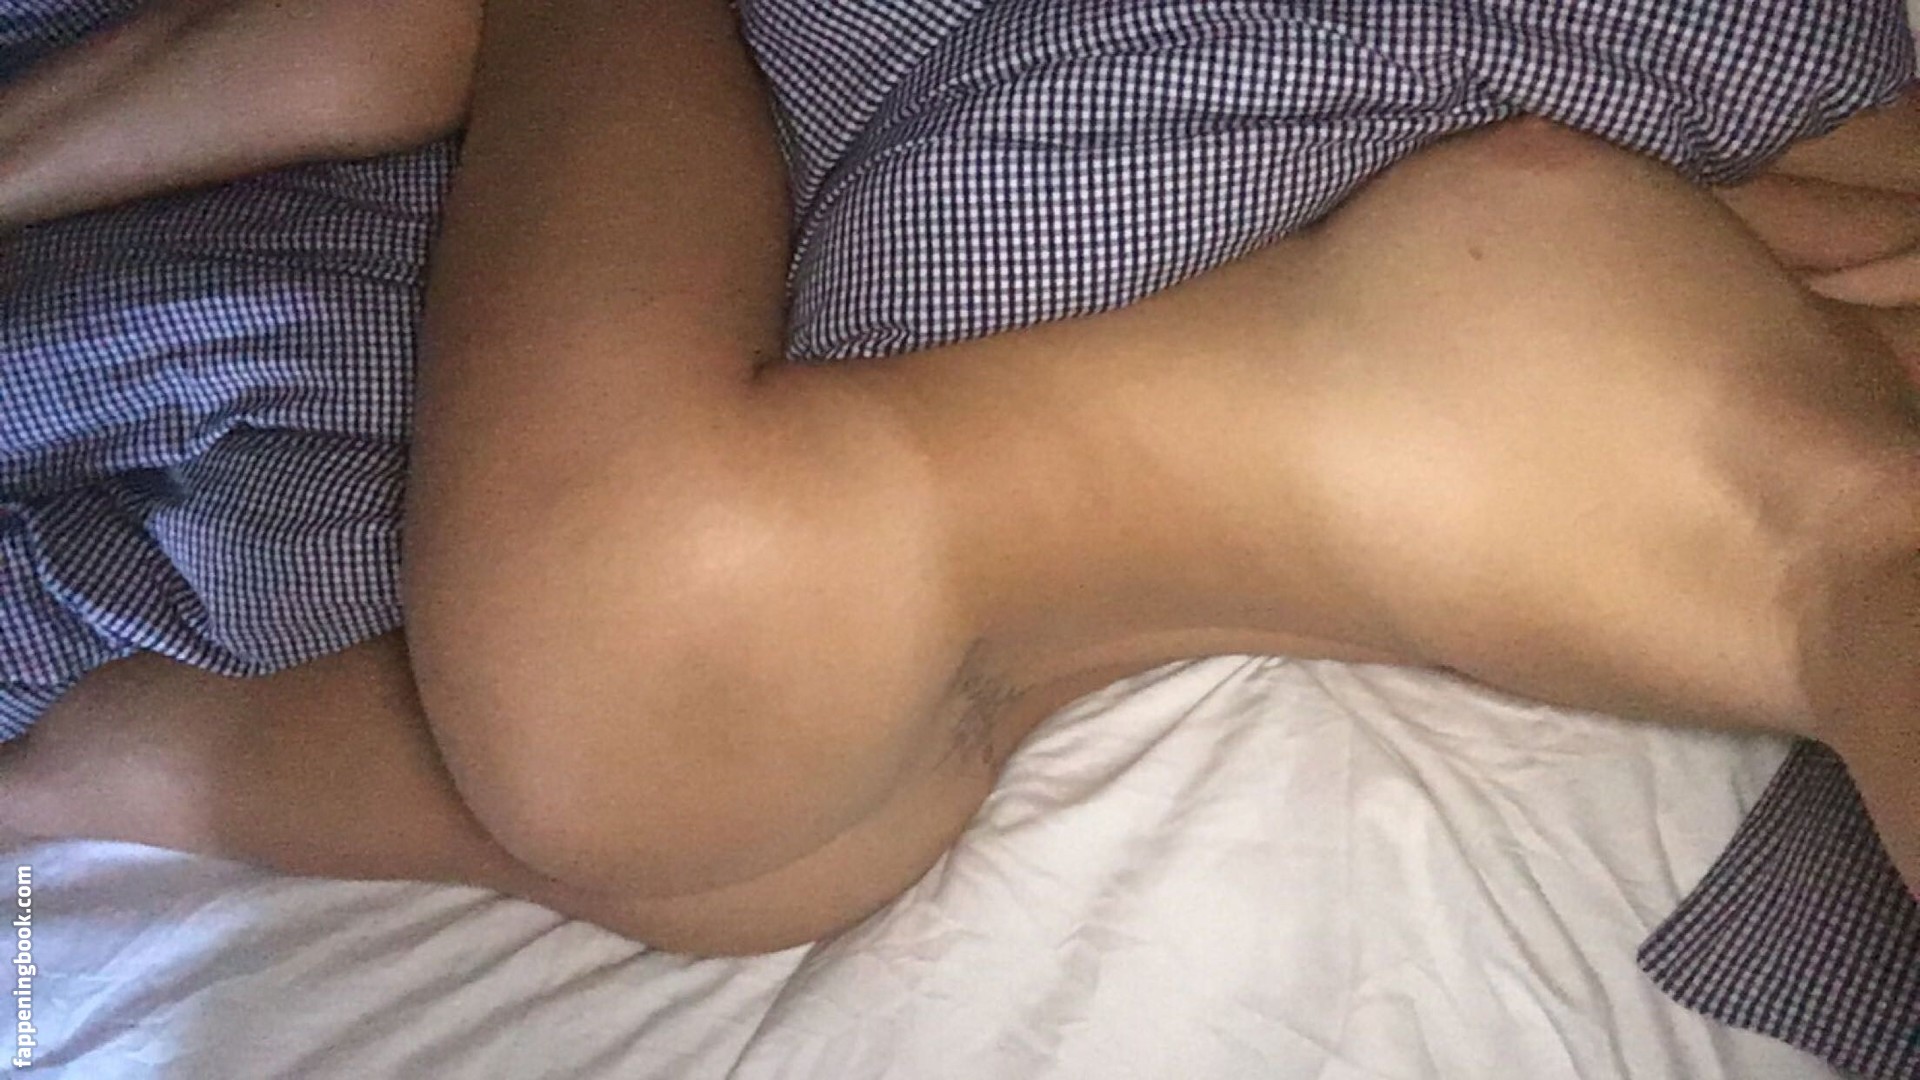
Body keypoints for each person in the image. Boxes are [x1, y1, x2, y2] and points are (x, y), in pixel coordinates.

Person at [0, 0, 1915, 958]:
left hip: (766, 597)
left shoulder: (1841, 521)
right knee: (144, 767)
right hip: (807, 717)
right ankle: (60, 784)